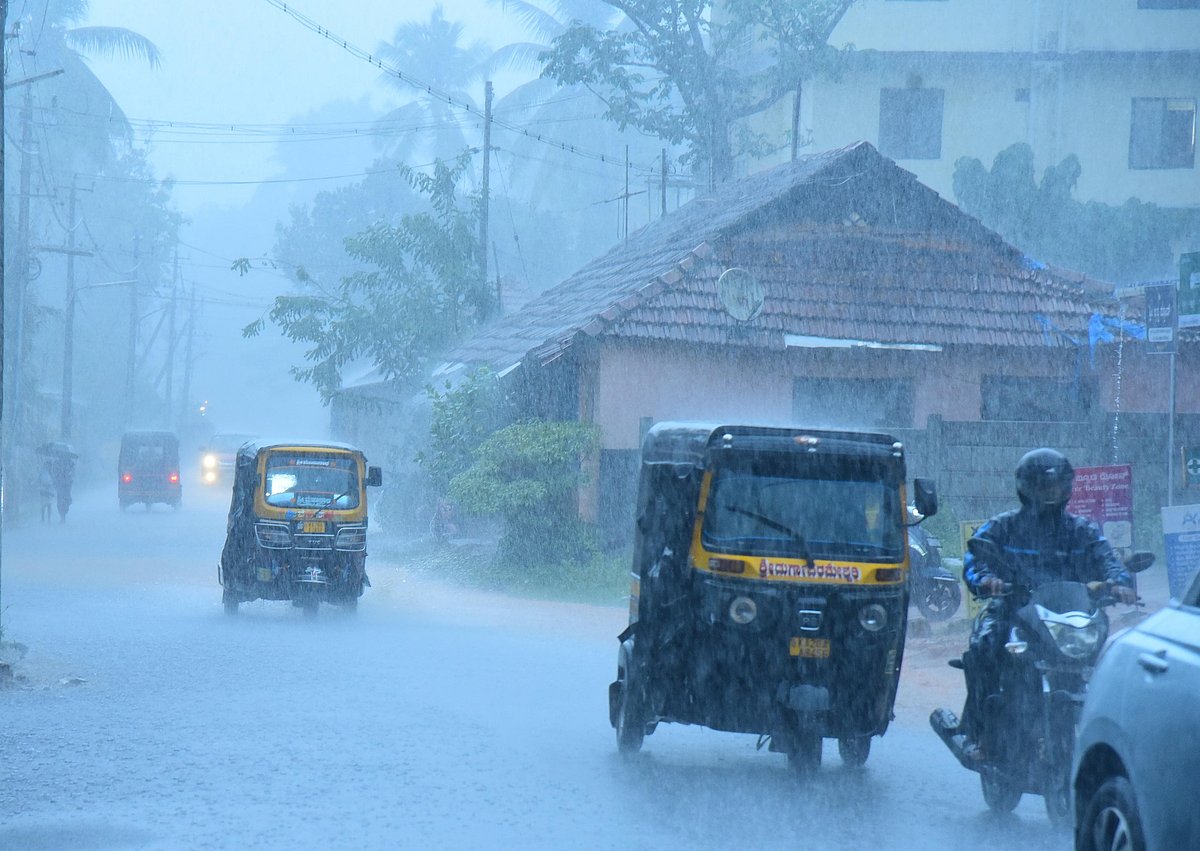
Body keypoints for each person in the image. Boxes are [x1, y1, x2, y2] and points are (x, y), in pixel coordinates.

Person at [957, 448, 1136, 756]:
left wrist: (1119, 584)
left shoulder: (1082, 530)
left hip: (1070, 616)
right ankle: (980, 734)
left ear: (1067, 487)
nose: (1050, 492)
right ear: (1026, 488)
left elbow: (1107, 559)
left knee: (1114, 660)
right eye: (1042, 486)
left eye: (1056, 485)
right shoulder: (1004, 526)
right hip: (1015, 612)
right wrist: (987, 581)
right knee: (984, 649)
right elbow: (975, 556)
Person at [50, 454, 76, 523]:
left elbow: (73, 472)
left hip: (67, 485)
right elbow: (54, 473)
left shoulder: (70, 463)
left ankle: (64, 512)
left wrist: (69, 475)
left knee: (66, 499)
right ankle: (62, 516)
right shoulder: (56, 463)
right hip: (59, 485)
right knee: (60, 500)